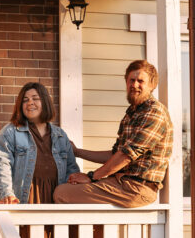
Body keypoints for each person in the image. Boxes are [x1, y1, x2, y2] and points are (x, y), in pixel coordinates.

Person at [0, 81, 78, 238]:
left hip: (54, 199)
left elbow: (72, 168)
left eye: (35, 98)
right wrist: (6, 193)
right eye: (25, 100)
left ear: (44, 102)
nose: (30, 103)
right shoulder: (11, 132)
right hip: (27, 197)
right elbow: (0, 163)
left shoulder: (60, 135)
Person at [54, 60, 173, 209]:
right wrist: (78, 152)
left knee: (61, 193)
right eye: (131, 80)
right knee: (71, 186)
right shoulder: (132, 114)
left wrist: (91, 176)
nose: (134, 85)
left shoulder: (154, 113)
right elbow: (115, 155)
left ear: (152, 85)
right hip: (121, 183)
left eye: (140, 81)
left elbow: (126, 156)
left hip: (137, 189)